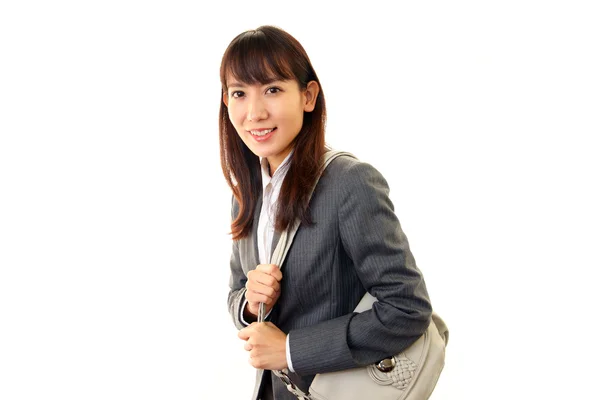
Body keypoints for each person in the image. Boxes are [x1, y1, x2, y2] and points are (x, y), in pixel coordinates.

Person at [219, 25, 432, 400]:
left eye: (272, 89)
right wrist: (251, 305)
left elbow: (407, 308)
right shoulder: (247, 192)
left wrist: (289, 349)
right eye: (239, 93)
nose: (254, 112)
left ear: (308, 96)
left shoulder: (349, 183)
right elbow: (236, 292)